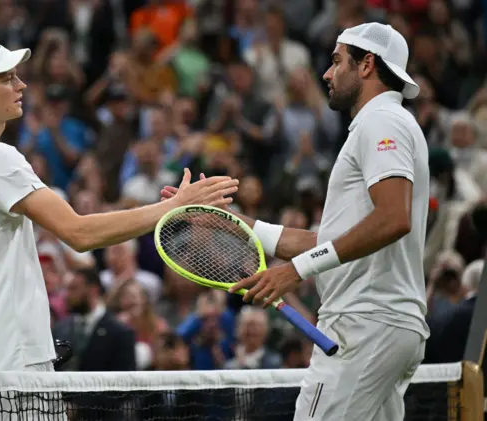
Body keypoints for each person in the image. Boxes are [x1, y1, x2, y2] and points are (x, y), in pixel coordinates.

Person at [0, 39, 239, 374]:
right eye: (7, 78)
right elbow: (79, 233)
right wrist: (176, 206)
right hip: (15, 364)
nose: (20, 84)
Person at [162, 23, 429, 421]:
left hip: (364, 325)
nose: (327, 72)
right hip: (386, 326)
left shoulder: (382, 122)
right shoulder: (389, 123)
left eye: (337, 61)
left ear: (367, 65)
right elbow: (334, 241)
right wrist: (232, 223)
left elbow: (393, 219)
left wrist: (295, 272)